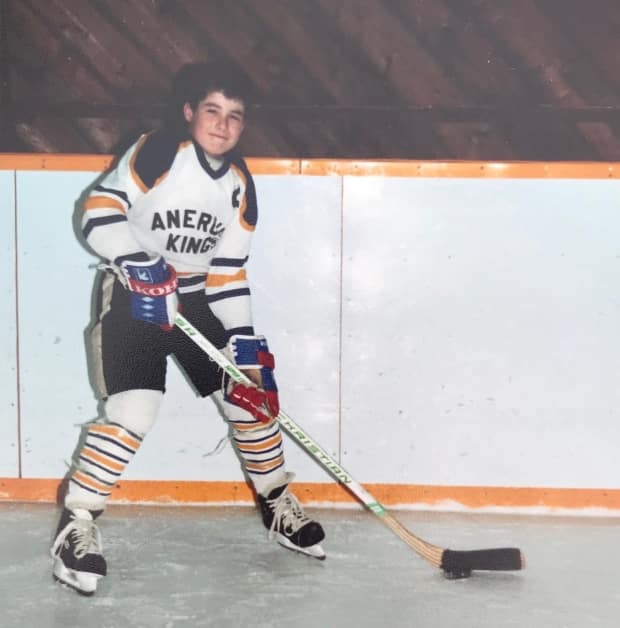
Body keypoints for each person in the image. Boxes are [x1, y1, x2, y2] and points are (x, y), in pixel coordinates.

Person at [50, 62, 325, 596]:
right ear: (189, 114)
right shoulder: (159, 152)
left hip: (197, 301)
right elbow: (98, 210)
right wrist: (137, 261)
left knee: (250, 396)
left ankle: (275, 504)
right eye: (212, 111)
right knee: (134, 411)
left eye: (235, 116)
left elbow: (227, 273)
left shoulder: (241, 185)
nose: (222, 125)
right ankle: (76, 523)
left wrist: (243, 342)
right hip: (134, 298)